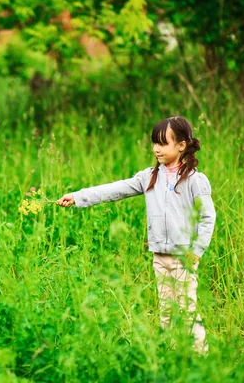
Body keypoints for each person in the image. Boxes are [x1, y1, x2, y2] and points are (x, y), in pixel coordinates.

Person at [57, 116, 216, 355]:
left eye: (163, 143)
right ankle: (173, 356)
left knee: (186, 309)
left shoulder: (195, 180)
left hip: (184, 256)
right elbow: (113, 189)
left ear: (181, 146)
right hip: (159, 256)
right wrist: (78, 196)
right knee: (166, 310)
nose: (156, 149)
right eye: (154, 143)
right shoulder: (149, 176)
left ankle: (200, 358)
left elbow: (207, 217)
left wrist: (197, 250)